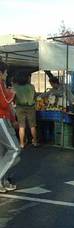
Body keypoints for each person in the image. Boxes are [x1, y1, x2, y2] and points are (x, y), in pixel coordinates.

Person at [0, 61, 20, 192]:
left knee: (4, 152)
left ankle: (3, 181)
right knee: (15, 149)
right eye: (6, 72)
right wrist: (13, 93)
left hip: (5, 118)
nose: (7, 75)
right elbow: (4, 102)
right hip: (1, 118)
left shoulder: (2, 84)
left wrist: (13, 119)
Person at [13, 70, 38, 148]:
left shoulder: (15, 86)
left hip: (19, 108)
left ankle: (22, 144)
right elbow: (35, 97)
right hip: (31, 108)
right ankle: (35, 141)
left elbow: (13, 98)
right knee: (32, 126)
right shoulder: (31, 86)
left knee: (21, 126)